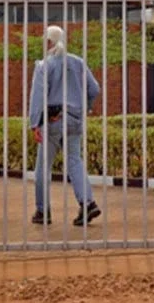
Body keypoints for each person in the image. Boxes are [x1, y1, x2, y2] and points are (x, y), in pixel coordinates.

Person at [29, 25, 102, 227]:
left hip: (53, 121)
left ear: (48, 42)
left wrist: (35, 123)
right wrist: (84, 107)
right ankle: (88, 203)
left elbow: (37, 96)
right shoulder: (78, 62)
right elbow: (94, 89)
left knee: (43, 168)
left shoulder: (45, 65)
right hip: (74, 120)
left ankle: (43, 211)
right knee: (75, 162)